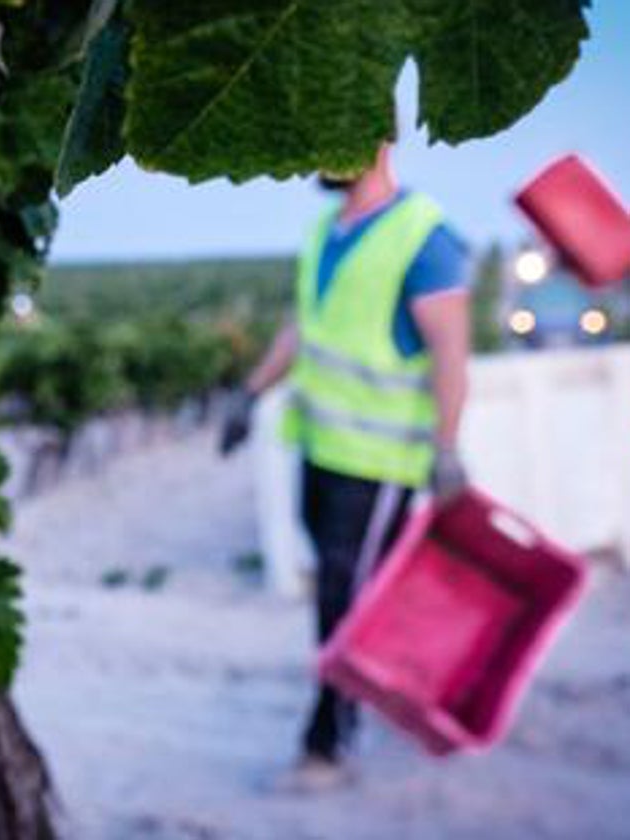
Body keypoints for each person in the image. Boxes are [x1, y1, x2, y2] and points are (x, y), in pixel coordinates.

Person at [219, 144, 471, 789]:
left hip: (381, 462)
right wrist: (251, 394)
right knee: (354, 589)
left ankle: (327, 746)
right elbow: (305, 326)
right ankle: (385, 693)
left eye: (333, 135)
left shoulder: (424, 237)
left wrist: (446, 449)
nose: (313, 152)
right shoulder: (324, 232)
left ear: (379, 144)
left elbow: (450, 354)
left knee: (343, 597)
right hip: (323, 449)